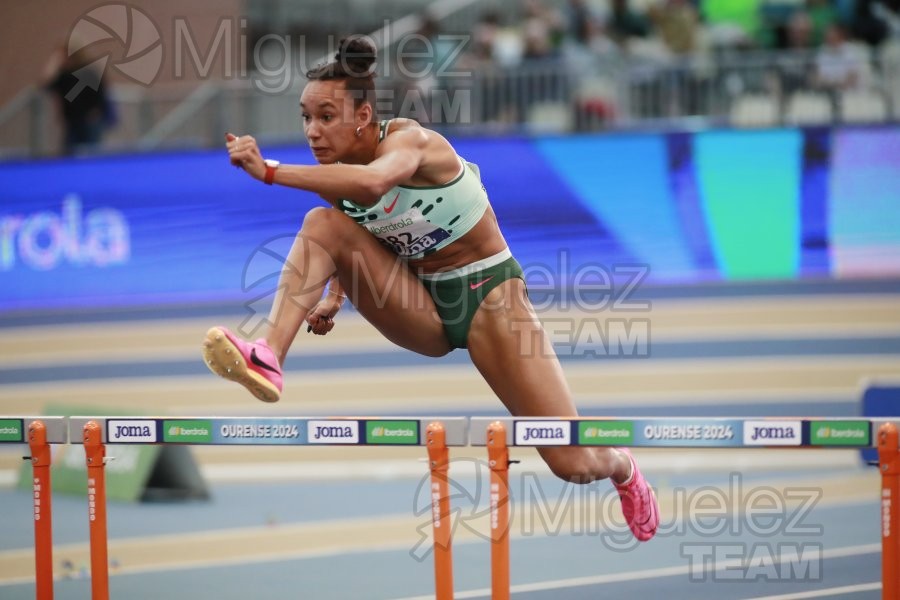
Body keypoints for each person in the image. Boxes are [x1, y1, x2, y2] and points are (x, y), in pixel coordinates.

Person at [202, 37, 659, 541]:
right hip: (421, 304)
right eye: (305, 117)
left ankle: (622, 467)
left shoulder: (412, 143)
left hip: (490, 299)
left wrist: (268, 171)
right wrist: (335, 294)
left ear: (363, 116)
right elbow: (351, 234)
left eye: (326, 117)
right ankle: (269, 353)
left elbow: (375, 185)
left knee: (572, 463)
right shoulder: (330, 176)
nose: (312, 131)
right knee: (321, 222)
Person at [42, 42, 116, 155]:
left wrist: (96, 114)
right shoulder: (64, 76)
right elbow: (46, 85)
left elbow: (101, 95)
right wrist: (54, 61)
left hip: (90, 123)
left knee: (91, 156)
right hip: (72, 123)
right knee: (69, 156)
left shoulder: (88, 72)